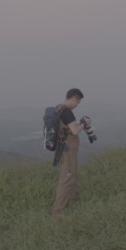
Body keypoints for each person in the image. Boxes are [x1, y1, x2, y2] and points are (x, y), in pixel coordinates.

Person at [52, 88, 91, 217]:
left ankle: (74, 201)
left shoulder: (57, 108)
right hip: (67, 151)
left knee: (72, 176)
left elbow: (66, 128)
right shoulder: (67, 112)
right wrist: (83, 124)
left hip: (62, 148)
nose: (77, 105)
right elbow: (74, 131)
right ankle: (58, 212)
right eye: (78, 102)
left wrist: (78, 124)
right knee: (66, 179)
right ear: (74, 98)